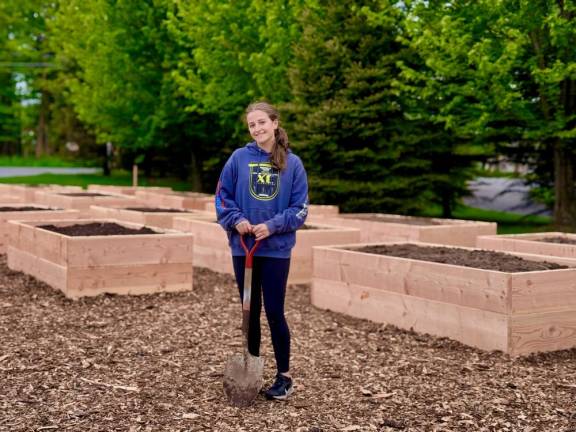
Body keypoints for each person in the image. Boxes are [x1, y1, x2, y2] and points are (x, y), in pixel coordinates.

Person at [215, 101, 308, 400]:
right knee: (249, 311)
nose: (257, 129)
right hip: (244, 248)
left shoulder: (292, 164)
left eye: (261, 123)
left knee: (274, 312)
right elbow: (222, 197)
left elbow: (300, 209)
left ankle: (284, 377)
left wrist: (273, 225)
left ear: (275, 123)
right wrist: (237, 220)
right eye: (252, 125)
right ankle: (250, 372)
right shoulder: (239, 158)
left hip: (276, 248)